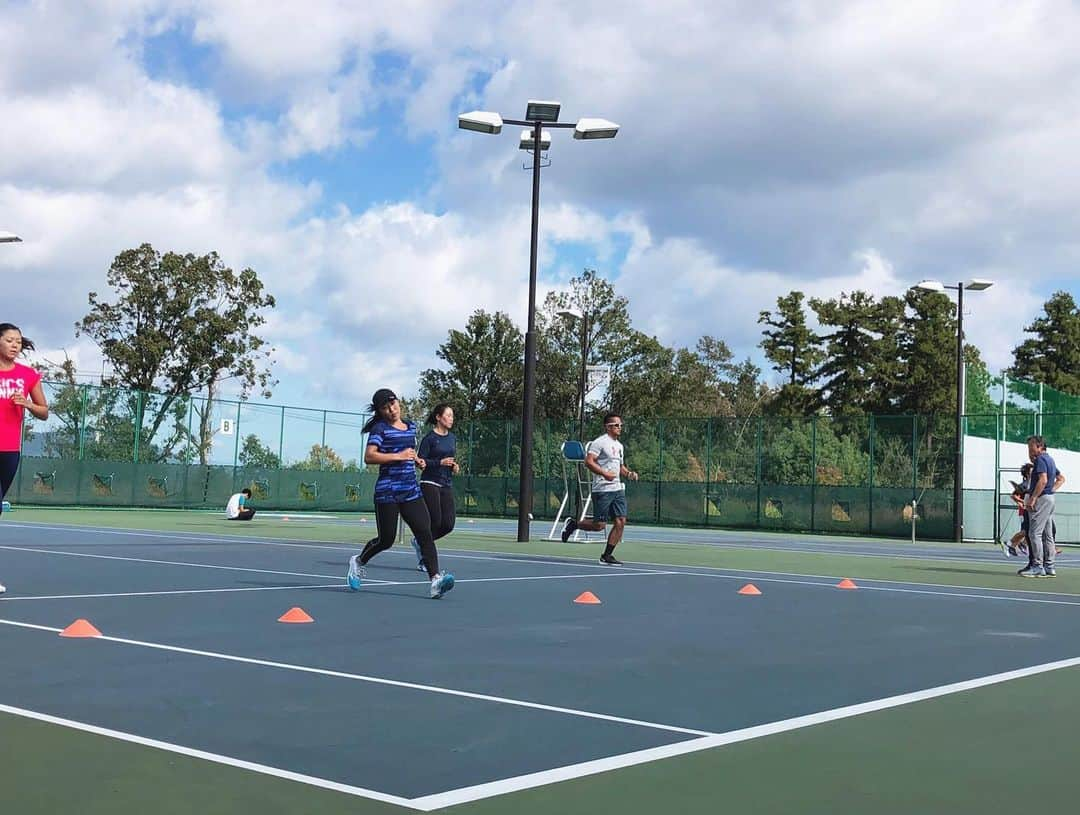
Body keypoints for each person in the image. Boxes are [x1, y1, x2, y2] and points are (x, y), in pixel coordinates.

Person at [346, 389, 454, 598]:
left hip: (411, 490)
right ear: (380, 411)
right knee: (387, 540)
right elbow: (369, 457)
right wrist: (398, 456)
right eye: (385, 408)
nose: (391, 410)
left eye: (393, 404)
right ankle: (358, 561)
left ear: (398, 402)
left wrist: (416, 460)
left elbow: (409, 452)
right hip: (387, 492)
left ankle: (435, 581)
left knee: (425, 532)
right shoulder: (380, 429)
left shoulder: (411, 427)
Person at [0, 323, 50, 595]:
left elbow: (44, 412)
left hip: (9, 451)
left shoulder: (28, 375)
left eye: (18, 341)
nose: (15, 345)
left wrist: (28, 404)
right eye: (9, 340)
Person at [561, 412, 639, 565]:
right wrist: (604, 473)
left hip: (617, 489)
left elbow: (620, 467)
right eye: (616, 425)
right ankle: (574, 524)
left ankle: (607, 555)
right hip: (602, 489)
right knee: (599, 526)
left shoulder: (620, 446)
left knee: (621, 521)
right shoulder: (600, 442)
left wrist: (629, 474)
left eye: (621, 425)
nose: (620, 428)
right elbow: (588, 462)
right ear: (608, 427)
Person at [409, 404, 459, 572]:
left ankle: (419, 541)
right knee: (435, 521)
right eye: (448, 415)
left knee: (448, 524)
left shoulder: (452, 438)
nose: (451, 419)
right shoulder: (429, 439)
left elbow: (450, 460)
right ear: (438, 417)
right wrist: (439, 463)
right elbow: (421, 463)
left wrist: (453, 466)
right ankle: (425, 557)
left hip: (446, 483)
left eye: (452, 416)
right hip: (429, 483)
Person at [1019, 435, 1059, 578]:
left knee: (1034, 533)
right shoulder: (1050, 459)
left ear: (1040, 446)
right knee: (1048, 535)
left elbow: (1043, 480)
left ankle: (1037, 566)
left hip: (1042, 499)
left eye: (1031, 447)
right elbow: (1059, 478)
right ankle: (1049, 566)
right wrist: (1051, 490)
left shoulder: (1041, 459)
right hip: (1049, 499)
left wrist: (1033, 498)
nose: (1029, 450)